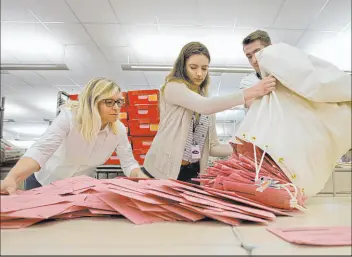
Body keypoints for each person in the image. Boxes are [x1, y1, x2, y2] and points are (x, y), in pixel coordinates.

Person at [135, 41, 276, 184]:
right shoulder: (172, 87)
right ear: (182, 66)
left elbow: (213, 147)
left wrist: (246, 149)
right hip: (161, 171)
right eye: (193, 67)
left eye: (204, 68)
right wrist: (254, 91)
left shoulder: (206, 105)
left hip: (193, 173)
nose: (199, 73)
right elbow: (205, 106)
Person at [0, 77, 141, 194]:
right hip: (44, 182)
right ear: (92, 102)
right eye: (109, 102)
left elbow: (128, 162)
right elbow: (41, 150)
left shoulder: (118, 130)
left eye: (119, 102)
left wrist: (141, 176)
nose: (116, 107)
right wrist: (12, 178)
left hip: (77, 188)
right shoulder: (69, 118)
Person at [240, 30, 277, 108]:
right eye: (249, 57)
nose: (254, 60)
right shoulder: (248, 82)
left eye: (258, 52)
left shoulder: (289, 73)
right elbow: (252, 105)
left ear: (271, 49)